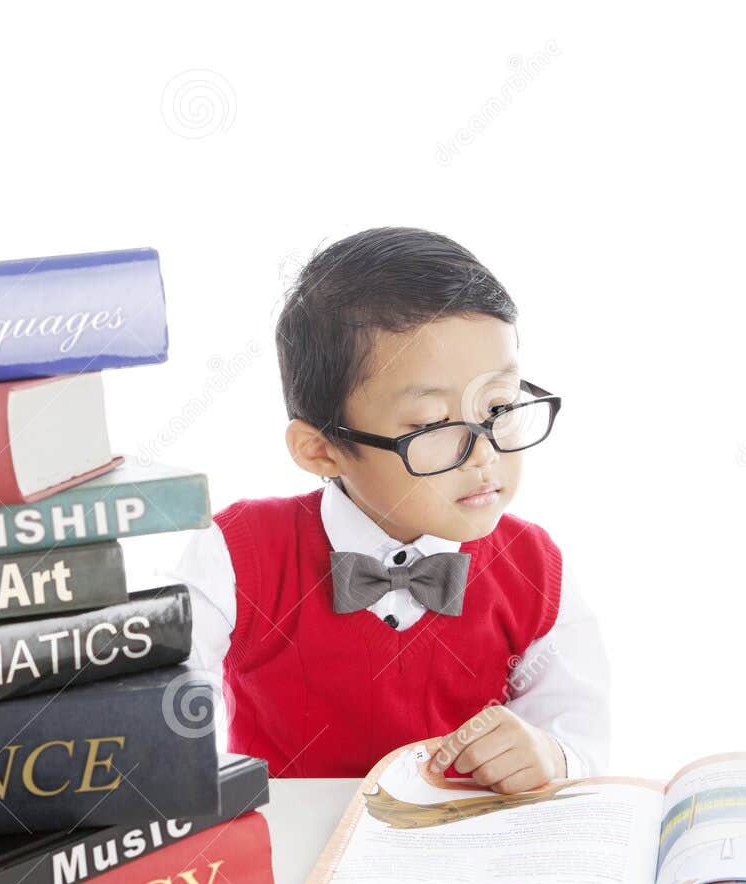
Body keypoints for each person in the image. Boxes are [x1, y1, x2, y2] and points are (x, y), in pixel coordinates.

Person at [169, 226, 609, 793]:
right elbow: (165, 694)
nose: (484, 452)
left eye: (499, 406)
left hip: (468, 856)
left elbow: (580, 733)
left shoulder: (534, 566)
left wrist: (550, 755)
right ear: (321, 449)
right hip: (295, 858)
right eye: (430, 425)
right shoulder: (239, 550)